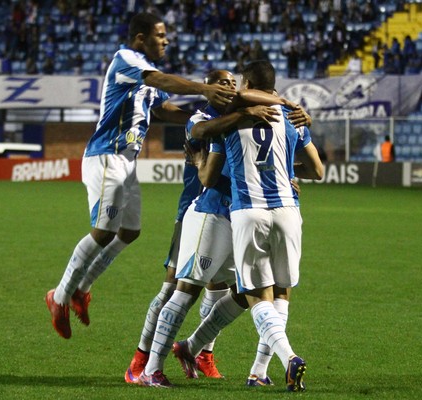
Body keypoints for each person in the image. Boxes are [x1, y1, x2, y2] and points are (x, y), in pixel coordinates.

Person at [44, 13, 235, 340]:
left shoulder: (146, 72)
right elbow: (160, 82)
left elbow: (161, 109)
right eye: (160, 35)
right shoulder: (128, 59)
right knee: (104, 230)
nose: (166, 41)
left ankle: (82, 289)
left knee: (129, 231)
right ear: (140, 38)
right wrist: (205, 89)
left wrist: (204, 118)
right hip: (106, 155)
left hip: (126, 161)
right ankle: (59, 296)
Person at [136, 69, 312, 388]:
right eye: (223, 83)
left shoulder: (251, 114)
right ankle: (151, 368)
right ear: (209, 89)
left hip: (245, 217)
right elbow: (206, 173)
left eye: (234, 83)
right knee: (185, 291)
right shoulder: (208, 117)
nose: (230, 87)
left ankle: (192, 348)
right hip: (212, 214)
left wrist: (283, 174)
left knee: (247, 294)